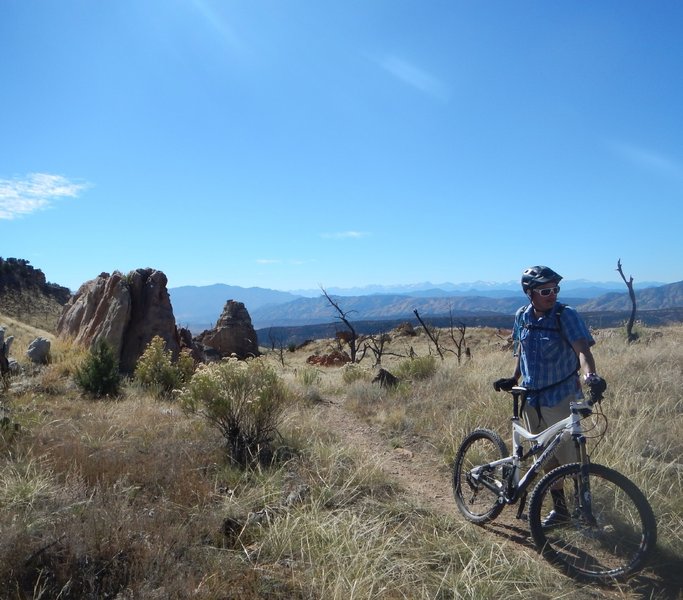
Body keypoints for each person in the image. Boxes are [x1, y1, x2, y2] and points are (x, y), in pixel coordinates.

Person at [494, 265, 606, 526]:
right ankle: (561, 511)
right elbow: (522, 350)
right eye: (545, 290)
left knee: (574, 459)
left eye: (555, 289)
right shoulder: (522, 315)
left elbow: (583, 351)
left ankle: (584, 510)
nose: (552, 294)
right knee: (546, 458)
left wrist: (591, 377)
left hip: (562, 398)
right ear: (529, 292)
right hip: (532, 401)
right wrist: (514, 378)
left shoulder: (565, 315)